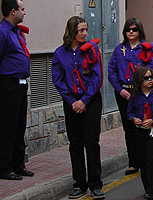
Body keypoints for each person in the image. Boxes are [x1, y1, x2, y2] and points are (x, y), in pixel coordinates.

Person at [52, 16, 105, 200]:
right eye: (81, 30)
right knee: (75, 144)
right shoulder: (60, 53)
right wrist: (71, 101)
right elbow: (58, 79)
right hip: (71, 102)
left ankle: (96, 184)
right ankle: (79, 183)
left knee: (91, 142)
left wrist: (84, 100)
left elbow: (97, 77)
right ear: (72, 31)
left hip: (90, 100)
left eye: (85, 30)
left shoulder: (92, 50)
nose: (84, 34)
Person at [0, 0, 33, 180]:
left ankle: (17, 164)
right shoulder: (0, 33)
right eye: (21, 9)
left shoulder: (15, 32)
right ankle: (3, 167)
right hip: (6, 85)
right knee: (6, 127)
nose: (24, 12)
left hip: (20, 85)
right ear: (12, 11)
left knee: (18, 126)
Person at [107, 18, 153, 175]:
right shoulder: (119, 49)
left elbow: (152, 71)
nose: (131, 32)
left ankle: (144, 160)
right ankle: (133, 162)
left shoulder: (146, 49)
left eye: (134, 29)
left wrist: (141, 88)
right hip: (123, 92)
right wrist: (120, 90)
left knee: (141, 127)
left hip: (139, 93)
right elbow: (112, 72)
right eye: (128, 29)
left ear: (139, 32)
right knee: (129, 129)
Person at [126, 66, 153, 200]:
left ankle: (151, 190)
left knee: (150, 158)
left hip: (152, 131)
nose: (150, 80)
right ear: (139, 80)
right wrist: (134, 119)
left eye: (151, 77)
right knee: (142, 160)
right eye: (146, 78)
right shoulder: (135, 96)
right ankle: (146, 187)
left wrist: (152, 120)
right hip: (139, 132)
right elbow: (129, 112)